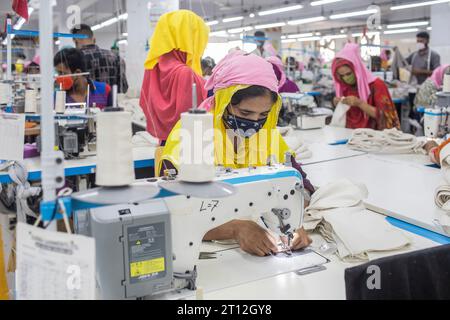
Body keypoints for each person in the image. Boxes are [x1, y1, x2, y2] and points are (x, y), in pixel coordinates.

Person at [159, 52, 314, 256]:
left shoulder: (267, 134)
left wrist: (293, 221)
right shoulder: (192, 134)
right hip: (199, 249)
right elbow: (172, 213)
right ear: (224, 102)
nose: (255, 122)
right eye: (245, 114)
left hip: (258, 240)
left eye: (263, 115)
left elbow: (302, 187)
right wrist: (235, 229)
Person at [140, 10, 209, 146]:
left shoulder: (152, 68)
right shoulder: (185, 73)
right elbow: (192, 121)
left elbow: (145, 103)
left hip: (164, 143)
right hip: (184, 147)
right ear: (189, 39)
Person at [331, 43, 400, 130]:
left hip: (374, 135)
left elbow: (386, 115)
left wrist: (360, 103)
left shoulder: (376, 85)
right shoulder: (344, 87)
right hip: (349, 134)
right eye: (342, 76)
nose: (346, 78)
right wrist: (338, 104)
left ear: (356, 70)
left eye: (348, 74)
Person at [71, 24, 128, 93]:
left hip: (85, 103)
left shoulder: (73, 59)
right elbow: (123, 87)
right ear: (93, 38)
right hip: (111, 103)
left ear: (75, 40)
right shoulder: (116, 57)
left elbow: (71, 89)